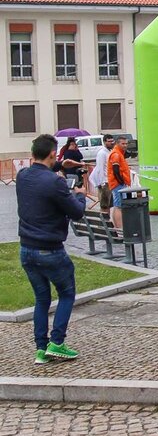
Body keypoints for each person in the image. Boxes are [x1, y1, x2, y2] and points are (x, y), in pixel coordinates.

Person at [18, 134, 87, 364]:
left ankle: (41, 349)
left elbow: (42, 168)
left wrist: (60, 164)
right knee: (67, 293)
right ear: (51, 154)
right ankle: (57, 343)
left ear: (32, 154)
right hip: (51, 249)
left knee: (41, 299)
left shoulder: (22, 176)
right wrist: (80, 196)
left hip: (26, 249)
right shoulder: (56, 183)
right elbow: (76, 212)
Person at [107, 135, 131, 230]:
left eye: (126, 143)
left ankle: (118, 226)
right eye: (123, 143)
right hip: (118, 184)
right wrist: (121, 182)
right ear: (117, 143)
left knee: (117, 205)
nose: (125, 145)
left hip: (117, 183)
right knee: (118, 206)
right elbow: (115, 170)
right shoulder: (116, 154)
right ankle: (120, 227)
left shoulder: (118, 153)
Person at [89, 134, 116, 216]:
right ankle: (104, 224)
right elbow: (100, 168)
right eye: (109, 141)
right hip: (105, 182)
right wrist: (102, 182)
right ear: (104, 142)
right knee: (105, 205)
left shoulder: (110, 152)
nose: (112, 143)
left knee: (109, 204)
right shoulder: (102, 153)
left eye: (112, 141)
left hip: (109, 181)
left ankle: (107, 223)